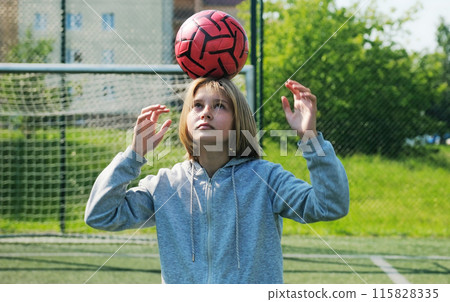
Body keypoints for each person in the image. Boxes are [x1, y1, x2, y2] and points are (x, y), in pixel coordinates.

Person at [85, 77, 350, 284]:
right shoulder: (166, 185)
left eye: (219, 105)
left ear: (238, 121)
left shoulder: (266, 179)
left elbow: (329, 206)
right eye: (197, 105)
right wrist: (133, 156)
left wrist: (310, 138)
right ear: (186, 120)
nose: (206, 112)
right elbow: (101, 214)